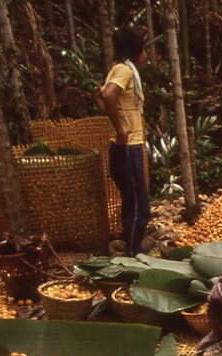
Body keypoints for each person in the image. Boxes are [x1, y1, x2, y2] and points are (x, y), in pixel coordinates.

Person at [97, 26, 151, 255]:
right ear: (136, 52)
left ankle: (132, 245)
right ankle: (134, 252)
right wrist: (120, 130)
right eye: (144, 50)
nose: (146, 56)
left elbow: (99, 95)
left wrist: (116, 122)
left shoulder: (118, 69)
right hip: (128, 147)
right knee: (140, 205)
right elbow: (108, 95)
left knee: (131, 200)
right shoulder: (124, 71)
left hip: (124, 146)